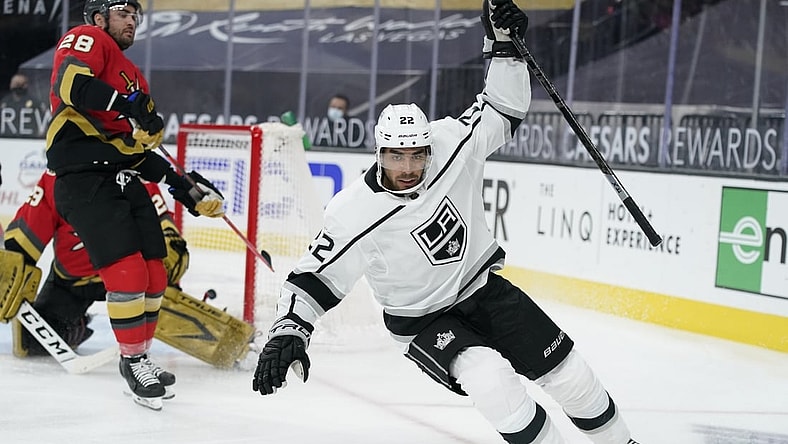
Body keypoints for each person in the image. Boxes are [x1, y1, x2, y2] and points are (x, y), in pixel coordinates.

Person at [251, 1, 640, 443]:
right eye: (397, 155)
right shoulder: (353, 211)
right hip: (423, 321)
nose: (409, 165)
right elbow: (314, 278)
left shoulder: (450, 145)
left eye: (416, 154)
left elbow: (501, 109)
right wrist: (290, 330)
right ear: (379, 152)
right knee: (491, 379)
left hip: (484, 290)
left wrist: (504, 46)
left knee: (573, 377)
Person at [44, 0, 224, 410]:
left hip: (122, 178)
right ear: (98, 17)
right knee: (125, 272)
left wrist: (184, 187)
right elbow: (72, 86)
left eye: (135, 16)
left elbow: (132, 151)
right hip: (86, 179)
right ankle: (132, 360)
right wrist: (129, 105)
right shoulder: (87, 38)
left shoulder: (133, 76)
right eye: (123, 12)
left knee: (154, 274)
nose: (132, 21)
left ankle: (139, 356)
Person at [2, 170, 256, 374]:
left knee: (161, 300)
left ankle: (242, 346)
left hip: (129, 275)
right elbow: (24, 237)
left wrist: (167, 265)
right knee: (29, 343)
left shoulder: (132, 173)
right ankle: (77, 324)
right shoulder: (57, 176)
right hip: (73, 279)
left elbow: (167, 235)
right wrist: (12, 263)